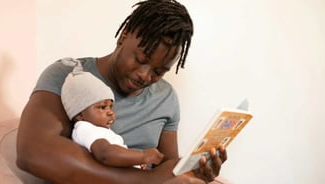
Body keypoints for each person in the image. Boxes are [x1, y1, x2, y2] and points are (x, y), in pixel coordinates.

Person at [16, 0, 227, 183]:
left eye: (159, 71)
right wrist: (147, 182)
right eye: (141, 60)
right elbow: (33, 153)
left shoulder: (166, 97)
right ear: (123, 37)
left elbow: (166, 166)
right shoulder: (69, 75)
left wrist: (194, 171)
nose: (145, 76)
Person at [60, 57, 164, 168]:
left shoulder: (98, 130)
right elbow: (105, 154)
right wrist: (142, 156)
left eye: (111, 106)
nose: (110, 112)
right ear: (80, 115)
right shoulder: (85, 129)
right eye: (102, 107)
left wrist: (136, 163)